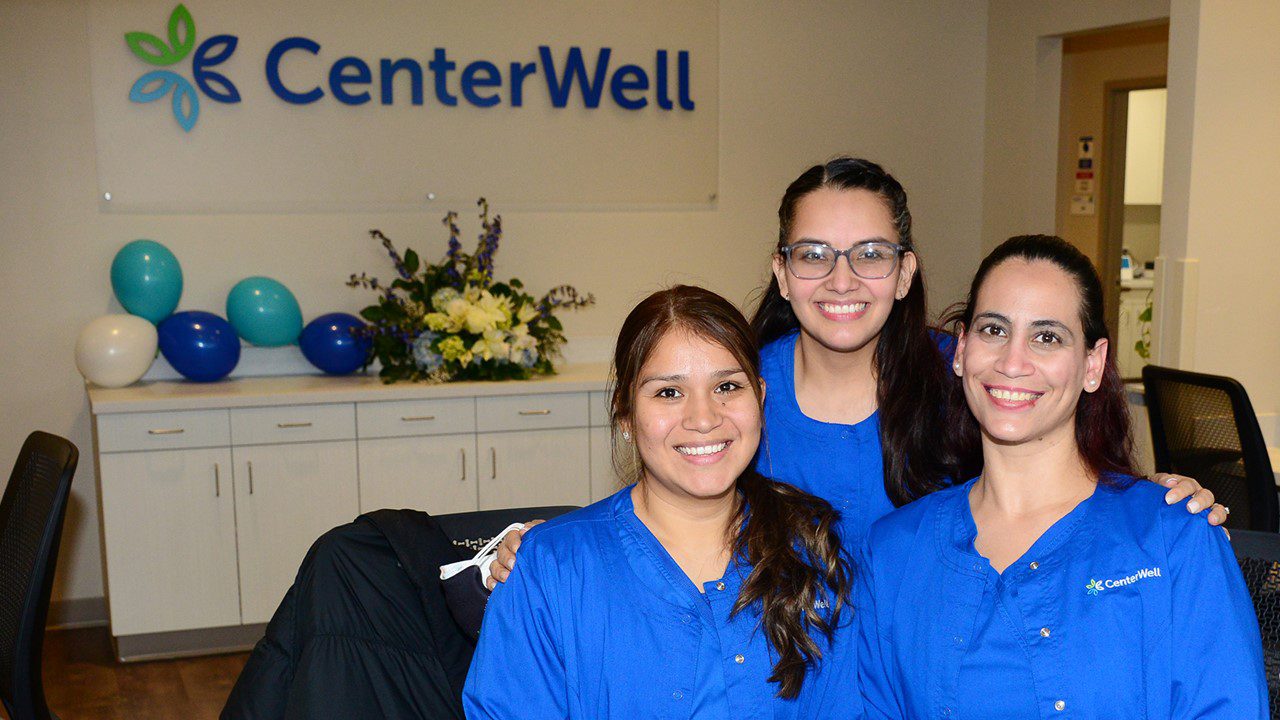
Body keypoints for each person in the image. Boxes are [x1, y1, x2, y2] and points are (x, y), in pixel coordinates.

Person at [489, 157, 1225, 585]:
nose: (842, 280)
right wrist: (549, 548)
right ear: (781, 272)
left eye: (870, 254)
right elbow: (664, 503)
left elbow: (1062, 471)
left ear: (905, 273)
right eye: (813, 254)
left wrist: (1148, 498)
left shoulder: (975, 377)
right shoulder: (737, 400)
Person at [856, 235, 1266, 718]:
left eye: (1047, 336)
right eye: (994, 330)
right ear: (961, 349)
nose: (1012, 362)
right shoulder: (894, 554)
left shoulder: (1173, 536)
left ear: (1093, 364)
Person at [463, 286, 856, 718]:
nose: (704, 418)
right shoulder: (550, 570)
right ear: (626, 414)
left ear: (760, 398)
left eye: (727, 386)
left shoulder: (815, 552)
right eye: (669, 392)